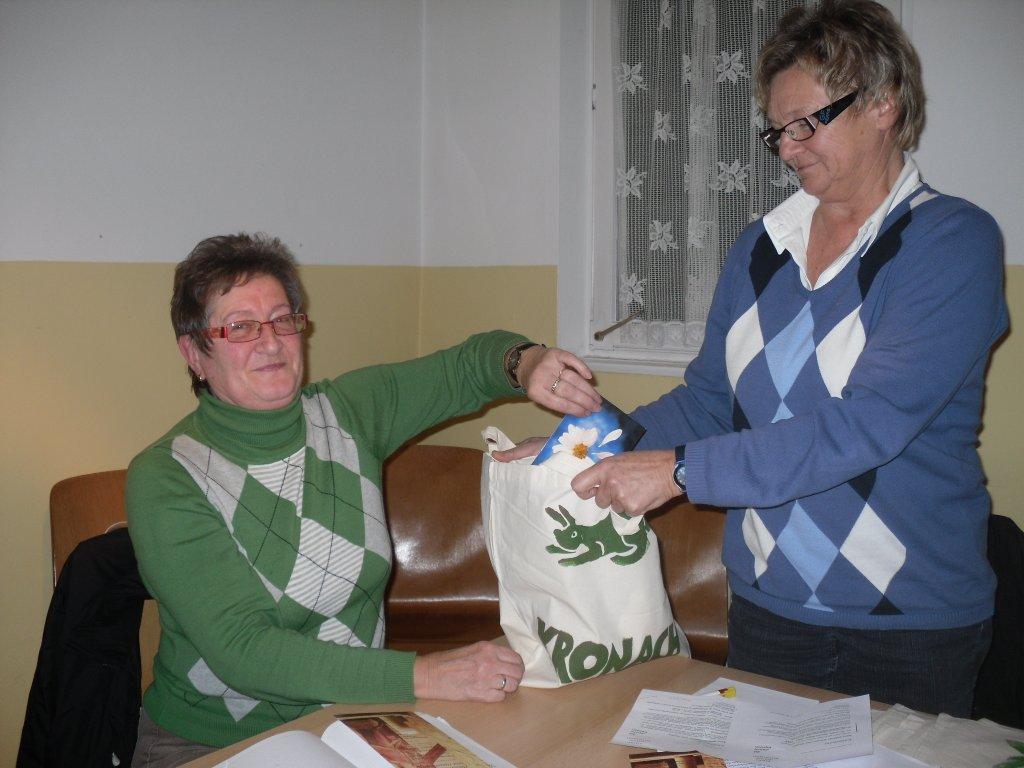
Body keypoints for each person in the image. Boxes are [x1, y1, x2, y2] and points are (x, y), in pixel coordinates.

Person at [500, 0, 1007, 716]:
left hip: (908, 624)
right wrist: (578, 449)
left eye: (809, 123)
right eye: (777, 130)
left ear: (885, 104)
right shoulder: (760, 249)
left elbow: (867, 425)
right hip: (771, 613)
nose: (789, 147)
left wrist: (680, 472)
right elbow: (710, 400)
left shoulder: (951, 243)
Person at [126, 232, 601, 764]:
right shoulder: (166, 475)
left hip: (351, 722)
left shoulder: (347, 412)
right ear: (194, 351)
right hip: (211, 742)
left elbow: (467, 366)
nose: (271, 341)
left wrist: (527, 362)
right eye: (240, 327)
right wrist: (424, 674)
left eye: (283, 319)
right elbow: (245, 652)